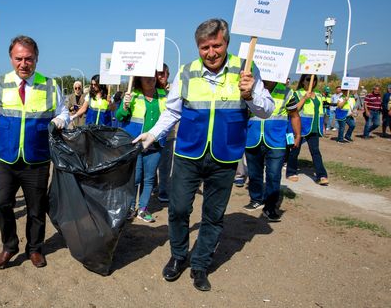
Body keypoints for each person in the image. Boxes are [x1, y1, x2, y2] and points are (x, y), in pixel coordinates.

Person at [132, 19, 274, 291]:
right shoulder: (187, 72)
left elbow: (265, 110)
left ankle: (200, 265)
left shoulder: (245, 70)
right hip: (188, 153)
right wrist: (152, 135)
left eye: (216, 45)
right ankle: (178, 255)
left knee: (213, 214)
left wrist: (249, 94)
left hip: (225, 155)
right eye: (204, 47)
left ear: (226, 43)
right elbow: (172, 111)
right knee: (179, 208)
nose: (211, 53)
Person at [0, 35, 69, 269]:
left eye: (28, 59)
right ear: (11, 58)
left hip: (36, 160)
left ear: (36, 59)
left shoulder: (50, 85)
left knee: (36, 209)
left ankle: (35, 249)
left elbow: (64, 113)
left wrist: (59, 121)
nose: (23, 64)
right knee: (0, 203)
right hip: (6, 158)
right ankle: (9, 246)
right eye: (19, 58)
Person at [244, 81, 301, 221]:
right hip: (253, 138)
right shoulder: (251, 89)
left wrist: (297, 135)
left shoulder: (287, 92)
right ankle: (256, 199)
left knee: (274, 174)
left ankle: (270, 207)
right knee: (254, 172)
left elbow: (294, 115)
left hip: (277, 140)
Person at [116, 75, 167, 223]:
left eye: (152, 77)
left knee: (149, 178)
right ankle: (131, 208)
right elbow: (119, 117)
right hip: (136, 144)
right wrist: (124, 106)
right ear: (139, 79)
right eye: (146, 77)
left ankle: (143, 209)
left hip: (155, 144)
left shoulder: (163, 95)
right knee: (135, 178)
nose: (150, 79)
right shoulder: (132, 95)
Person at [286, 74, 329, 185]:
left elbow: (320, 111)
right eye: (308, 79)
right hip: (300, 127)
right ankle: (291, 172)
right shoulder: (296, 93)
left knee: (315, 152)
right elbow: (294, 110)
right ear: (303, 81)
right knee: (295, 150)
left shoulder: (319, 95)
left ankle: (321, 175)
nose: (312, 82)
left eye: (314, 79)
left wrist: (322, 125)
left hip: (314, 127)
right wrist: (304, 98)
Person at [155, 64, 174, 202]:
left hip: (168, 135)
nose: (160, 76)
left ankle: (163, 190)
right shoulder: (150, 90)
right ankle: (154, 185)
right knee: (151, 164)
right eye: (158, 74)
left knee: (165, 165)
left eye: (163, 73)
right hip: (153, 134)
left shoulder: (174, 90)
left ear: (168, 74)